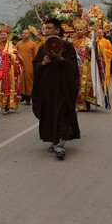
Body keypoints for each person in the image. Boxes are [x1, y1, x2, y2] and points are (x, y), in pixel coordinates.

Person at [32, 18, 81, 160]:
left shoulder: (67, 47)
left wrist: (61, 59)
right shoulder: (43, 48)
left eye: (50, 28)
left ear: (58, 30)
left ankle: (60, 144)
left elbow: (74, 67)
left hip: (63, 88)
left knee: (62, 113)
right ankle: (54, 140)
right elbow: (36, 65)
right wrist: (43, 63)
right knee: (50, 114)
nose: (47, 31)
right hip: (48, 89)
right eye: (46, 28)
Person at [0, 24, 23, 114]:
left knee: (8, 87)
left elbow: (16, 56)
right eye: (1, 35)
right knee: (1, 88)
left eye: (4, 35)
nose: (2, 36)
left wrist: (10, 55)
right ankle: (3, 105)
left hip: (9, 70)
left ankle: (7, 105)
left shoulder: (11, 46)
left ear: (8, 36)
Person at [72, 20, 94, 111]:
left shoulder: (88, 41)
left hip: (85, 66)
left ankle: (86, 103)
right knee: (76, 85)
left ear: (84, 30)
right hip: (74, 66)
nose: (79, 31)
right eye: (77, 30)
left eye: (81, 30)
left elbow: (93, 53)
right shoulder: (73, 41)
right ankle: (78, 104)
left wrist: (91, 48)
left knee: (84, 84)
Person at [16, 28, 42, 106]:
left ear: (29, 35)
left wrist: (36, 65)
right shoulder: (19, 43)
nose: (24, 34)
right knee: (21, 80)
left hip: (29, 65)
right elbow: (15, 53)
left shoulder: (33, 44)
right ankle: (22, 95)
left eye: (26, 33)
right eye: (23, 33)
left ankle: (28, 97)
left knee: (29, 81)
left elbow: (36, 55)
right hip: (19, 65)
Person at [95, 28, 112, 93]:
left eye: (100, 33)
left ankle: (105, 89)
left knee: (106, 75)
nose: (99, 34)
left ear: (103, 34)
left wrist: (103, 51)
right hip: (97, 62)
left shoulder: (106, 41)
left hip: (105, 61)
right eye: (98, 33)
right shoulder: (94, 42)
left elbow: (111, 51)